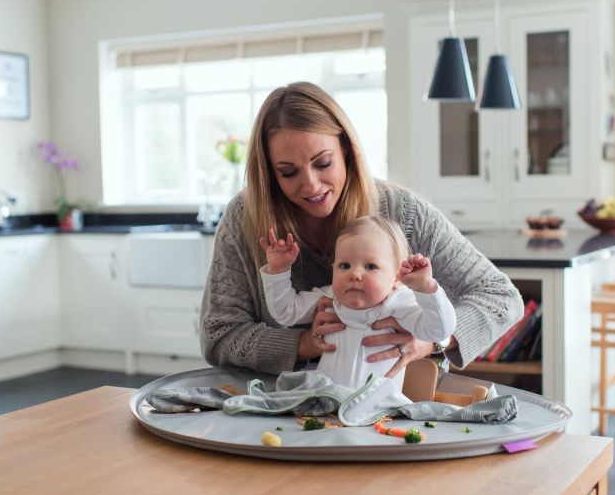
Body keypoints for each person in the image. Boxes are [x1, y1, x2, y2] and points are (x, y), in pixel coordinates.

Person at [200, 81, 523, 380]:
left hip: (390, 413)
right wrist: (305, 343)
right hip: (276, 410)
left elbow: (501, 298)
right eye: (288, 172)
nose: (310, 185)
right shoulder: (246, 217)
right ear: (269, 174)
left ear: (346, 151)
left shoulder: (404, 212)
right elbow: (218, 336)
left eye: (323, 163)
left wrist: (430, 341)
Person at [258, 215, 456, 391]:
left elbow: (439, 331)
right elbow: (286, 312)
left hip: (377, 408)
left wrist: (427, 288)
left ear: (396, 277)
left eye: (370, 266)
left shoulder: (398, 303)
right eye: (344, 265)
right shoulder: (331, 299)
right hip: (324, 403)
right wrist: (278, 271)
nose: (354, 274)